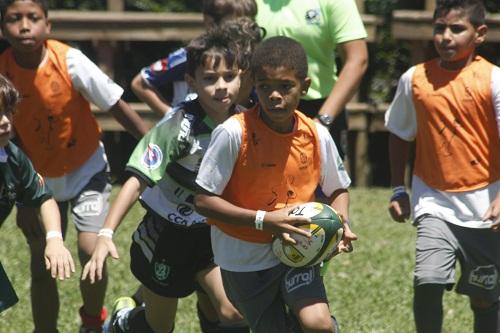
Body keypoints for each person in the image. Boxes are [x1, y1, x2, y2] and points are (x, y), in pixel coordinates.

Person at [82, 28, 249, 333]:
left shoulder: (247, 125)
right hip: (166, 235)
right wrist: (106, 233)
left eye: (229, 76)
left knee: (234, 312)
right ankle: (121, 323)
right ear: (192, 82)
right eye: (210, 78)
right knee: (160, 328)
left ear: (241, 77)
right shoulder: (178, 126)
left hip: (211, 233)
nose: (221, 86)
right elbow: (137, 178)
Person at [0, 1, 149, 332]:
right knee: (41, 264)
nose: (24, 26)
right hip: (36, 182)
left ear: (48, 26)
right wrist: (23, 202)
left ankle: (92, 321)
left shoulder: (69, 60)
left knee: (89, 248)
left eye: (33, 18)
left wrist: (155, 148)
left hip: (86, 170)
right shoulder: (2, 73)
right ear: (2, 29)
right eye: (14, 19)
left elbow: (116, 105)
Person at [194, 36, 357, 333]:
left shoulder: (316, 134)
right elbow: (203, 201)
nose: (274, 96)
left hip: (300, 250)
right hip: (242, 257)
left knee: (317, 323)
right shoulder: (233, 133)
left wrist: (340, 221)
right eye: (265, 86)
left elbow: (338, 189)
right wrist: (265, 221)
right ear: (253, 85)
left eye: (285, 86)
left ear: (304, 87)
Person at [385, 1, 500, 332]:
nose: (445, 37)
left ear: (479, 34)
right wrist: (398, 188)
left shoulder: (492, 80)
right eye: (439, 28)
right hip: (434, 200)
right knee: (428, 281)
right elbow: (399, 132)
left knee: (484, 296)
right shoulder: (416, 79)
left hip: (486, 208)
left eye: (456, 29)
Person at [255, 0, 368, 160]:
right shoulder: (248, 3)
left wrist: (323, 120)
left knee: (324, 183)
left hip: (321, 108)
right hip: (264, 104)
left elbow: (357, 59)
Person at [0, 73, 75, 313]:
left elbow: (43, 197)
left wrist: (54, 240)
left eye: (9, 111)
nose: (5, 121)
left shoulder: (13, 158)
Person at [130, 0, 257, 116]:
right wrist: (172, 118)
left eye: (250, 23)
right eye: (235, 25)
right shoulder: (191, 56)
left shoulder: (254, 57)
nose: (245, 30)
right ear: (210, 22)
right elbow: (140, 83)